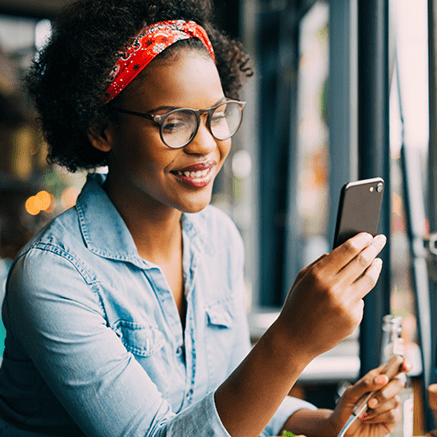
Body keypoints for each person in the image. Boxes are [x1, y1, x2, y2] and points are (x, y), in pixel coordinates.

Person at [0, 0, 406, 436]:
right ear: (102, 129)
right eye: (174, 122)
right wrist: (291, 342)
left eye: (217, 116)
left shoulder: (217, 238)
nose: (206, 146)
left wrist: (324, 422)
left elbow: (227, 395)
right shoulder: (53, 278)